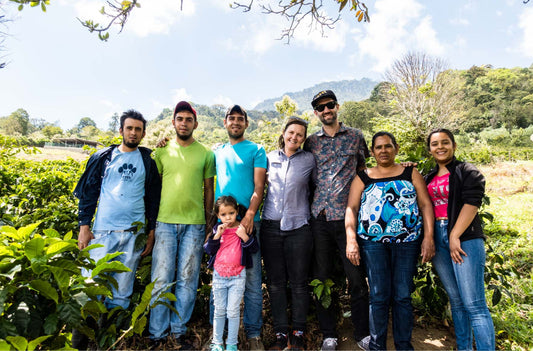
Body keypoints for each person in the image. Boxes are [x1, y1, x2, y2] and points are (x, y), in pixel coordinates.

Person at [73, 110, 161, 349]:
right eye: (129, 128)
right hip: (103, 233)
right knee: (91, 285)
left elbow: (153, 199)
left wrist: (150, 232)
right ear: (121, 130)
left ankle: (108, 342)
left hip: (132, 234)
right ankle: (81, 343)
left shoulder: (147, 161)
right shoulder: (104, 157)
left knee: (122, 291)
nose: (133, 132)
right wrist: (84, 227)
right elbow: (89, 193)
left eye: (138, 129)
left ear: (143, 133)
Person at [345, 131, 435, 350]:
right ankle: (377, 346)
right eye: (378, 147)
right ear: (372, 151)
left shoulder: (410, 172)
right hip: (372, 244)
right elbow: (352, 208)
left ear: (395, 148)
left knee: (403, 295)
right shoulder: (363, 176)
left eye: (387, 146)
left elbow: (425, 205)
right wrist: (351, 239)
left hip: (407, 243)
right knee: (378, 295)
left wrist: (429, 238)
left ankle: (403, 345)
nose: (383, 151)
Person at [303, 90, 370, 351]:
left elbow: (365, 171)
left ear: (337, 106)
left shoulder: (355, 137)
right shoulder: (311, 142)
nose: (326, 110)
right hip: (319, 218)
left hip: (348, 218)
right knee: (323, 277)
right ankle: (329, 333)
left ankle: (362, 332)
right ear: (316, 113)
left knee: (355, 277)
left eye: (329, 105)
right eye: (320, 108)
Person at [148, 101, 216, 349]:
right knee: (161, 277)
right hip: (165, 222)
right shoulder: (162, 152)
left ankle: (178, 332)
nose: (184, 123)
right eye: (180, 119)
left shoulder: (206, 153)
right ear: (173, 122)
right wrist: (151, 223)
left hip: (195, 225)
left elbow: (209, 189)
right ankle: (156, 334)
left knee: (188, 278)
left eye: (189, 119)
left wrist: (209, 221)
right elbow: (153, 188)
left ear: (195, 124)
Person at [425, 128, 495, 351]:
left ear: (454, 145)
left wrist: (454, 234)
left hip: (464, 237)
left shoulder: (467, 171)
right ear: (429, 150)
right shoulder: (428, 176)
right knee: (456, 300)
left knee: (474, 304)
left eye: (445, 142)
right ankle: (464, 348)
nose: (440, 147)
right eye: (435, 144)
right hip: (438, 237)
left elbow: (472, 203)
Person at [213, 104, 267, 350]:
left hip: (247, 222)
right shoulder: (217, 151)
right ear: (225, 123)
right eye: (231, 118)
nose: (235, 122)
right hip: (222, 224)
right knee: (220, 277)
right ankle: (218, 337)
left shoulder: (256, 150)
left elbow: (259, 187)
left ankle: (254, 334)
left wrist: (250, 215)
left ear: (246, 124)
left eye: (240, 119)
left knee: (253, 281)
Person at [261, 117, 316, 350]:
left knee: (299, 283)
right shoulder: (268, 157)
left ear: (304, 138)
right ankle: (281, 333)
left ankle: (299, 332)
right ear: (283, 133)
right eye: (291, 132)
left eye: (300, 135)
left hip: (299, 228)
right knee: (275, 283)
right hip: (271, 227)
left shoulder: (310, 160)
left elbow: (316, 187)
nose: (294, 137)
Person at [204, 196, 259, 351]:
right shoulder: (217, 229)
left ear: (237, 212)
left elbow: (254, 248)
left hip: (237, 276)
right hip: (219, 276)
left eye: (231, 213)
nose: (228, 217)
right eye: (223, 215)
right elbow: (208, 250)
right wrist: (217, 236)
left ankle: (232, 344)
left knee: (233, 311)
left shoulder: (243, 228)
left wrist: (244, 236)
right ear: (217, 215)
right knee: (219, 310)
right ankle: (217, 343)